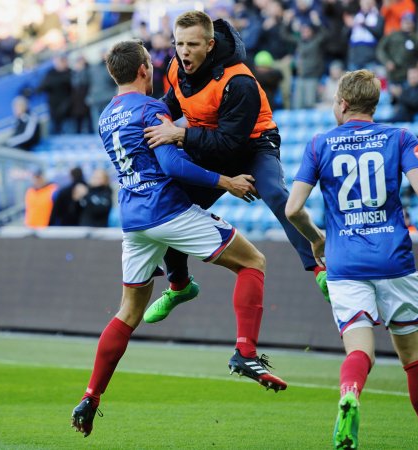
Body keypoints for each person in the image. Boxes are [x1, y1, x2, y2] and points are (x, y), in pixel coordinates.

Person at [71, 40, 288, 438]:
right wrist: (226, 180)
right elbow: (170, 161)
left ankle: (91, 395)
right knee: (252, 262)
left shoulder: (105, 117)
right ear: (142, 70)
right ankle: (245, 351)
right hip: (167, 210)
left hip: (133, 221)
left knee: (128, 313)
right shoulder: (151, 108)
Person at [284, 69, 418, 450]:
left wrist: (318, 241)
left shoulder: (319, 144)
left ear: (343, 104)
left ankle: (349, 393)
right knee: (415, 358)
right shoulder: (399, 137)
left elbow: (293, 208)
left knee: (359, 352)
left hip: (345, 265)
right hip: (393, 261)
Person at [141, 11, 327, 326]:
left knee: (275, 193)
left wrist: (181, 134)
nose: (184, 51)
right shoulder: (175, 67)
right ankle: (180, 286)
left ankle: (320, 268)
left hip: (253, 145)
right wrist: (144, 116)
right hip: (209, 142)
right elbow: (175, 102)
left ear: (210, 45)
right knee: (170, 205)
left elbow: (230, 145)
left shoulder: (238, 81)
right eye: (179, 44)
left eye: (192, 44)